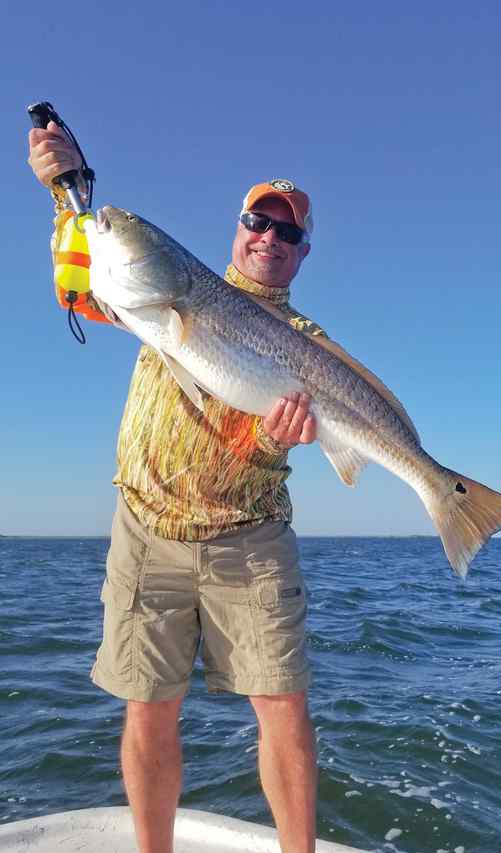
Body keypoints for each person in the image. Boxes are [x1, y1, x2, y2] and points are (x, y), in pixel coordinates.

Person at [28, 122, 323, 853]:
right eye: (259, 221)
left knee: (283, 707)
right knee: (149, 709)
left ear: (301, 252)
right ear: (238, 228)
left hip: (250, 537)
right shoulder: (167, 297)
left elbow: (253, 447)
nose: (269, 238)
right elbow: (83, 275)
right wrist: (67, 189)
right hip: (146, 527)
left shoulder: (309, 346)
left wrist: (271, 436)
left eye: (287, 233)